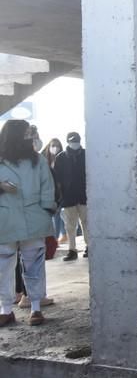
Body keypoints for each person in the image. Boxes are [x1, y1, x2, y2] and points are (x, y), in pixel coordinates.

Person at [0, 120, 56, 327]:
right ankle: (5, 309)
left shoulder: (37, 160)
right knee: (3, 267)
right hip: (5, 220)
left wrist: (46, 208)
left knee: (34, 265)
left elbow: (47, 186)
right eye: (25, 133)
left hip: (33, 218)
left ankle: (35, 307)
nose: (29, 136)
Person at [53, 132, 88, 261]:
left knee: (86, 223)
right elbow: (57, 179)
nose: (75, 143)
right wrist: (60, 197)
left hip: (84, 195)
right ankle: (72, 249)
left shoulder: (86, 154)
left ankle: (89, 246)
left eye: (76, 141)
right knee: (70, 225)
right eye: (73, 141)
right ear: (68, 141)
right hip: (68, 197)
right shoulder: (61, 157)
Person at [41, 139, 66, 243]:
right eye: (53, 145)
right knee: (54, 215)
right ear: (48, 146)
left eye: (58, 146)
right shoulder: (42, 159)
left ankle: (60, 236)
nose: (55, 148)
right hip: (48, 191)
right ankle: (58, 237)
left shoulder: (61, 158)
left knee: (58, 214)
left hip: (59, 192)